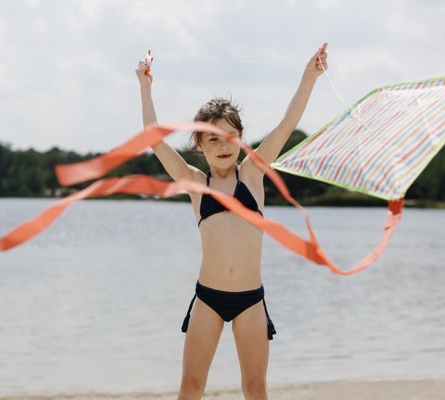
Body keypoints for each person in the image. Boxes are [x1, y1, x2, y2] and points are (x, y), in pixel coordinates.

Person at [135, 44, 328, 400]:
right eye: (213, 139)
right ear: (200, 144)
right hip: (207, 299)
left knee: (255, 389)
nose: (223, 146)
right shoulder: (195, 181)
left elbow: (287, 125)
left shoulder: (253, 174)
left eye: (230, 137)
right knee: (191, 387)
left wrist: (309, 77)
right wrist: (145, 87)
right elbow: (153, 138)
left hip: (250, 301)